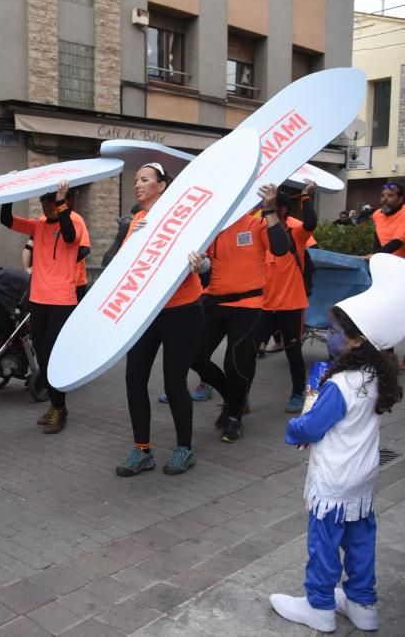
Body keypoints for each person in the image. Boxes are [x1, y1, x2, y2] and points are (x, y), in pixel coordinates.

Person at [269, 254, 404, 633]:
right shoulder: (374, 376)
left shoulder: (341, 384)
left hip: (334, 480)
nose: (327, 337)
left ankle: (320, 607)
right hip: (363, 478)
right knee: (360, 541)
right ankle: (363, 603)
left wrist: (295, 429)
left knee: (324, 544)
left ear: (357, 340)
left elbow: (311, 426)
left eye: (333, 332)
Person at [115, 164, 205, 477]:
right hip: (146, 313)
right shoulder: (137, 221)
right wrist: (132, 241)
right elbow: (122, 268)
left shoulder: (182, 218)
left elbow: (206, 263)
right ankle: (142, 450)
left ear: (162, 185)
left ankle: (184, 448)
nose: (137, 185)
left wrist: (201, 262)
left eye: (145, 180)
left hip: (183, 309)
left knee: (173, 382)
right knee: (133, 379)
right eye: (136, 180)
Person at [188, 185, 289, 443]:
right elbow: (209, 266)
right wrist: (200, 266)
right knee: (195, 356)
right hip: (214, 302)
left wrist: (270, 208)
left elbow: (280, 248)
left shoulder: (256, 223)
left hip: (248, 305)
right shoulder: (213, 229)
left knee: (235, 364)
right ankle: (234, 398)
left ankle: (234, 417)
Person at [1, 181, 88, 434]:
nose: (45, 205)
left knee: (52, 357)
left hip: (62, 301)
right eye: (43, 200)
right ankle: (55, 404)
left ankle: (60, 409)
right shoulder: (38, 224)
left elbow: (71, 236)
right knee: (41, 355)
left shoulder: (74, 220)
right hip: (38, 300)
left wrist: (61, 202)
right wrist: (10, 192)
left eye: (50, 200)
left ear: (63, 200)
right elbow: (6, 220)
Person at [261, 183, 317, 414]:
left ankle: (297, 393)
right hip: (263, 305)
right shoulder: (261, 231)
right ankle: (239, 397)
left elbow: (311, 223)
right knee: (249, 350)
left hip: (291, 304)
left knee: (293, 350)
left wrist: (306, 197)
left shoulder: (296, 231)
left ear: (281, 209)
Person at [370, 181, 405, 259]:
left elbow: (397, 242)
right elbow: (378, 237)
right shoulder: (377, 214)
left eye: (390, 196)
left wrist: (375, 255)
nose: (385, 199)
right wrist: (374, 255)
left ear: (400, 199)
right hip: (387, 260)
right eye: (382, 196)